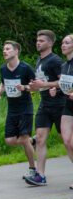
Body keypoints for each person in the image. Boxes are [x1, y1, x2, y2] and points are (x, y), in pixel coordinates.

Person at [26, 30, 64, 186]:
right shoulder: (39, 60)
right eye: (37, 40)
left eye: (42, 40)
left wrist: (46, 85)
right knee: (40, 138)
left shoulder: (55, 61)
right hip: (44, 104)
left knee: (68, 141)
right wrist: (30, 87)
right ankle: (40, 175)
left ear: (50, 43)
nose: (38, 42)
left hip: (61, 105)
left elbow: (65, 82)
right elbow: (41, 83)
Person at [0, 41, 36, 179]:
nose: (4, 51)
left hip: (25, 108)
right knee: (10, 140)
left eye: (7, 49)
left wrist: (25, 87)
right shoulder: (3, 69)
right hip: (12, 109)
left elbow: (37, 85)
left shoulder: (25, 68)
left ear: (16, 51)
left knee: (23, 138)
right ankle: (32, 142)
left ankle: (33, 169)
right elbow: (4, 82)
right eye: (3, 49)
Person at [51, 34, 73, 189]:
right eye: (62, 43)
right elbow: (64, 83)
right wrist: (55, 88)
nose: (63, 45)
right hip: (68, 106)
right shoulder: (64, 65)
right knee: (66, 141)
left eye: (67, 43)